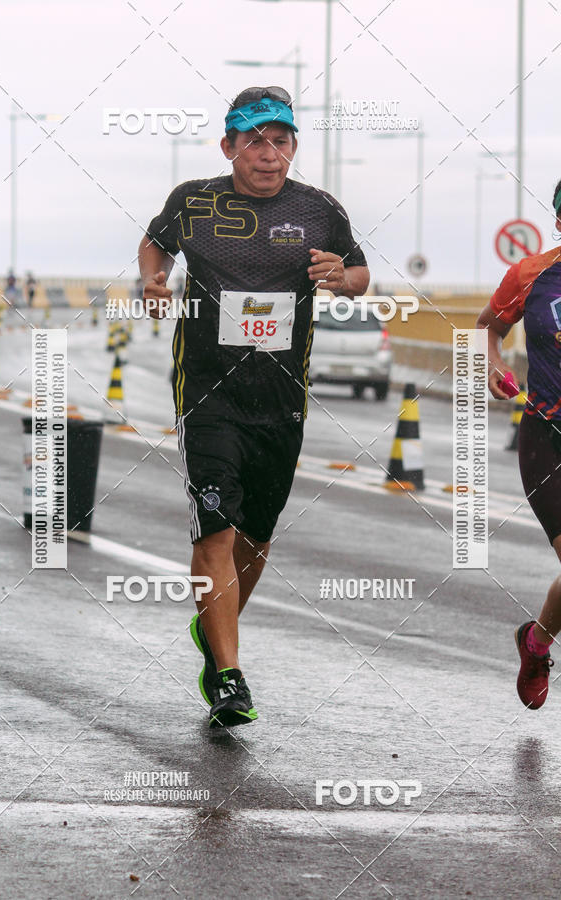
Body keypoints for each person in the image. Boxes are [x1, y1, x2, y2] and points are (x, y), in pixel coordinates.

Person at [138, 86, 369, 728]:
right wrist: (153, 279)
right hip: (208, 392)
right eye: (255, 141)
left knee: (257, 536)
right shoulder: (195, 201)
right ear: (229, 147)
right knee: (215, 526)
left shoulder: (320, 209)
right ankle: (229, 677)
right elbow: (155, 243)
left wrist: (340, 277)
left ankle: (214, 635)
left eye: (281, 141)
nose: (269, 154)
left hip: (282, 398)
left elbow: (358, 275)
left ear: (294, 146)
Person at [477, 179, 561, 709]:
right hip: (547, 436)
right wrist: (493, 365)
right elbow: (488, 327)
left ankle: (537, 641)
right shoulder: (531, 274)